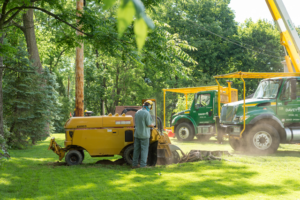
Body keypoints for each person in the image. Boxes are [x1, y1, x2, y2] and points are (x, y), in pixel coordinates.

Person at [132, 100, 154, 169]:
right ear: (149, 106)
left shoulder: (137, 112)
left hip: (137, 134)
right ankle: (143, 165)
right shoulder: (147, 113)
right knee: (144, 150)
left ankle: (134, 164)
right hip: (144, 135)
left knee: (136, 150)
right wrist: (152, 125)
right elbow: (148, 124)